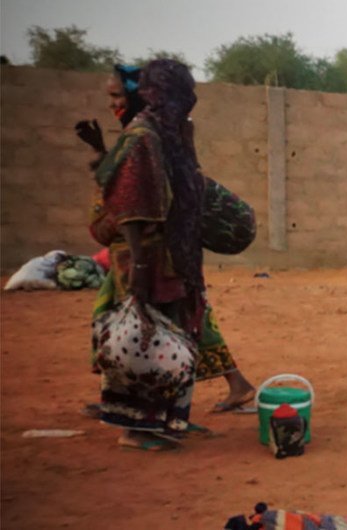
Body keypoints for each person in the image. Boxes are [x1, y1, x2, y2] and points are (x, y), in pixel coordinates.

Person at [79, 64, 257, 416]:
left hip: (150, 257)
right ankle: (140, 411)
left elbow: (136, 204)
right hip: (162, 256)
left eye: (117, 95)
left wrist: (140, 267)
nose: (112, 103)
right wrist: (102, 152)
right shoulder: (157, 134)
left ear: (142, 94)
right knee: (149, 330)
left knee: (145, 332)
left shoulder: (146, 137)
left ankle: (139, 419)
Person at [88, 59, 205, 451]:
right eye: (182, 92)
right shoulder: (143, 137)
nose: (190, 99)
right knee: (143, 336)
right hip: (147, 258)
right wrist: (139, 268)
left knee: (170, 333)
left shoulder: (167, 133)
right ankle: (135, 428)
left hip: (171, 254)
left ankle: (164, 421)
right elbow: (132, 207)